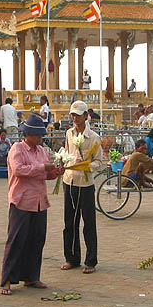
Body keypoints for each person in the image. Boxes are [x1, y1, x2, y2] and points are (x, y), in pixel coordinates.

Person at [0, 114, 63, 295]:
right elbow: (20, 171)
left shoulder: (42, 151)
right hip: (21, 201)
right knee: (16, 240)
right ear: (27, 134)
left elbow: (44, 175)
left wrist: (55, 172)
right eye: (37, 135)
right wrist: (43, 168)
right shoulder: (17, 149)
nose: (39, 139)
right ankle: (6, 280)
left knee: (36, 240)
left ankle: (31, 277)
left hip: (39, 202)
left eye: (41, 136)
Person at [60, 101, 103, 274]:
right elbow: (67, 152)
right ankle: (71, 258)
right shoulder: (69, 133)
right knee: (70, 222)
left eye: (78, 115)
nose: (75, 118)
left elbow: (99, 161)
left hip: (85, 184)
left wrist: (87, 166)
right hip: (69, 181)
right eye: (73, 115)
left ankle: (91, 260)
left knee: (89, 223)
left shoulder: (94, 137)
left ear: (86, 116)